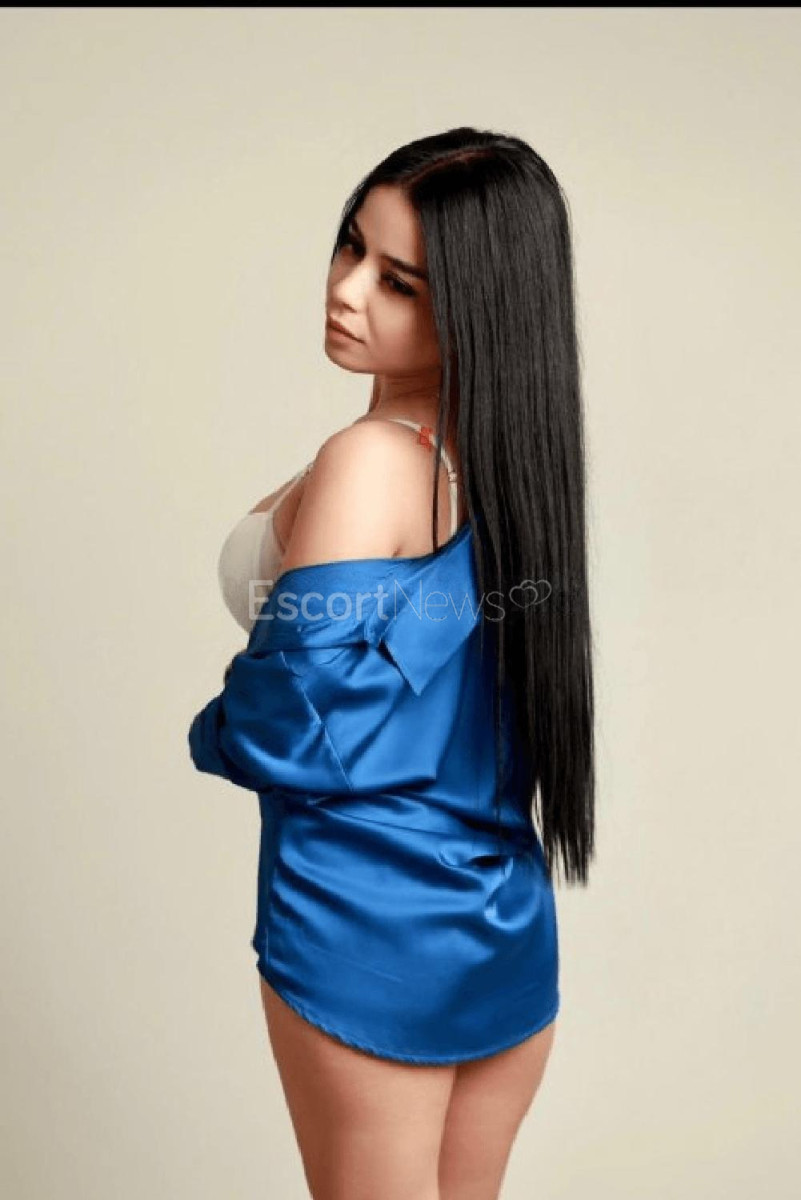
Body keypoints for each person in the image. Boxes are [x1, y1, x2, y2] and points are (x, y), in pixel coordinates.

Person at [188, 126, 595, 1200]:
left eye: (398, 280)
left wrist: (210, 729)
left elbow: (288, 722)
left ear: (477, 305)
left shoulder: (372, 459)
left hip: (364, 924)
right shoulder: (516, 473)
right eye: (349, 244)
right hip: (500, 918)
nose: (346, 288)